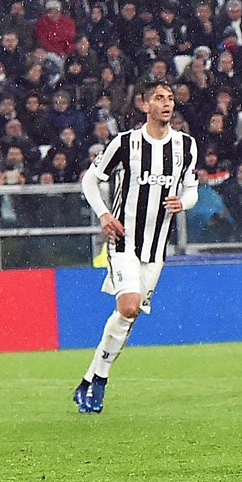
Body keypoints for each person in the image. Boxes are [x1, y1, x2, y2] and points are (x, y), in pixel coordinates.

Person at [74, 80, 199, 414]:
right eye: (159, 98)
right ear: (145, 105)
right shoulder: (125, 143)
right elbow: (90, 180)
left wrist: (182, 203)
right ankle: (97, 381)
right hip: (123, 241)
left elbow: (192, 190)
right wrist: (103, 215)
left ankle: (92, 378)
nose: (167, 104)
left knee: (126, 318)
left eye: (170, 98)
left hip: (156, 249)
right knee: (128, 307)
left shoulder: (185, 146)